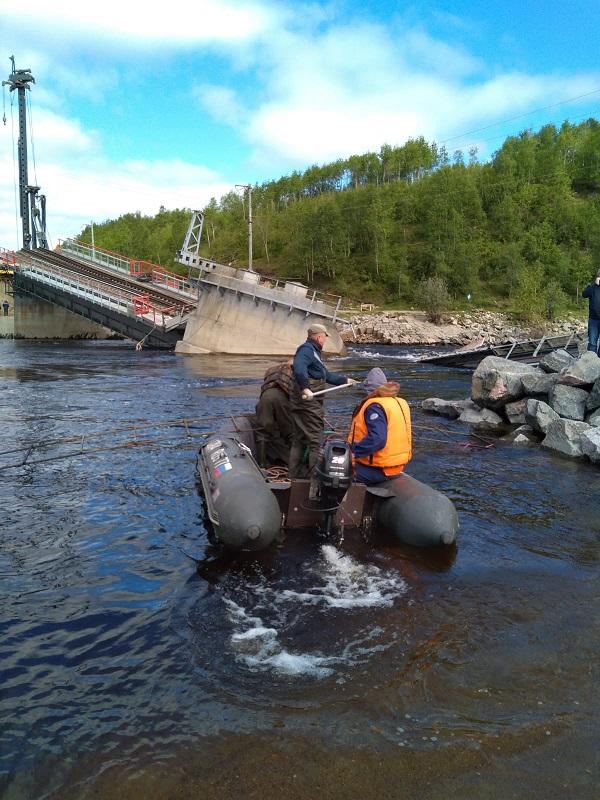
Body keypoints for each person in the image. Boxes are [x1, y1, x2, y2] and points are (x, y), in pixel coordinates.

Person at [289, 323, 356, 477]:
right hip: (308, 403)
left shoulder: (315, 353)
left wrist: (345, 380)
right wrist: (305, 388)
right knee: (315, 440)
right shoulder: (306, 350)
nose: (325, 340)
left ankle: (293, 476)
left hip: (305, 402)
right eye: (325, 337)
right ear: (319, 337)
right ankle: (314, 480)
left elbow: (326, 375)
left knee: (299, 439)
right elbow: (299, 368)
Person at [347, 367, 412, 485]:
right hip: (397, 467)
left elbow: (378, 439)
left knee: (335, 469)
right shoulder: (399, 402)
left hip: (378, 470)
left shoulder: (374, 407)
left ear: (369, 389)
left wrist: (353, 452)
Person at [254, 360, 294, 467]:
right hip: (281, 399)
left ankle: (261, 465)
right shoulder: (296, 371)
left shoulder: (271, 370)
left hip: (265, 398)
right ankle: (294, 466)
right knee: (290, 432)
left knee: (262, 433)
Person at [582, 269, 600, 355]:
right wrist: (594, 285)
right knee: (592, 343)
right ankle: (591, 363)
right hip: (593, 320)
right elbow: (584, 294)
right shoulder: (592, 288)